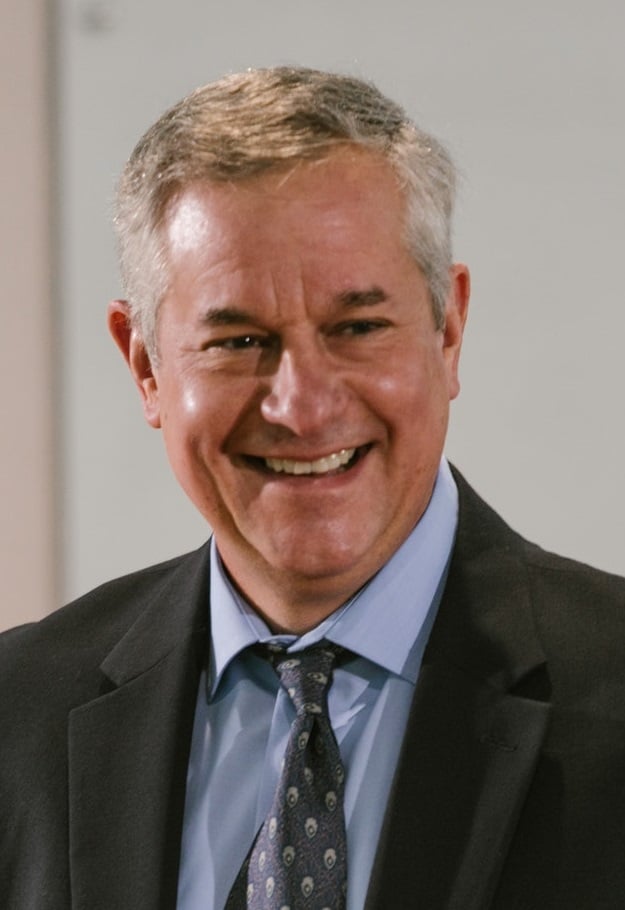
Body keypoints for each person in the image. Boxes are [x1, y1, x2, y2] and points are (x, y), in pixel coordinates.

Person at [1, 66, 624, 910]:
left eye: (357, 327)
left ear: (447, 332)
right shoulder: (19, 716)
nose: (301, 408)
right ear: (144, 366)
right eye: (238, 342)